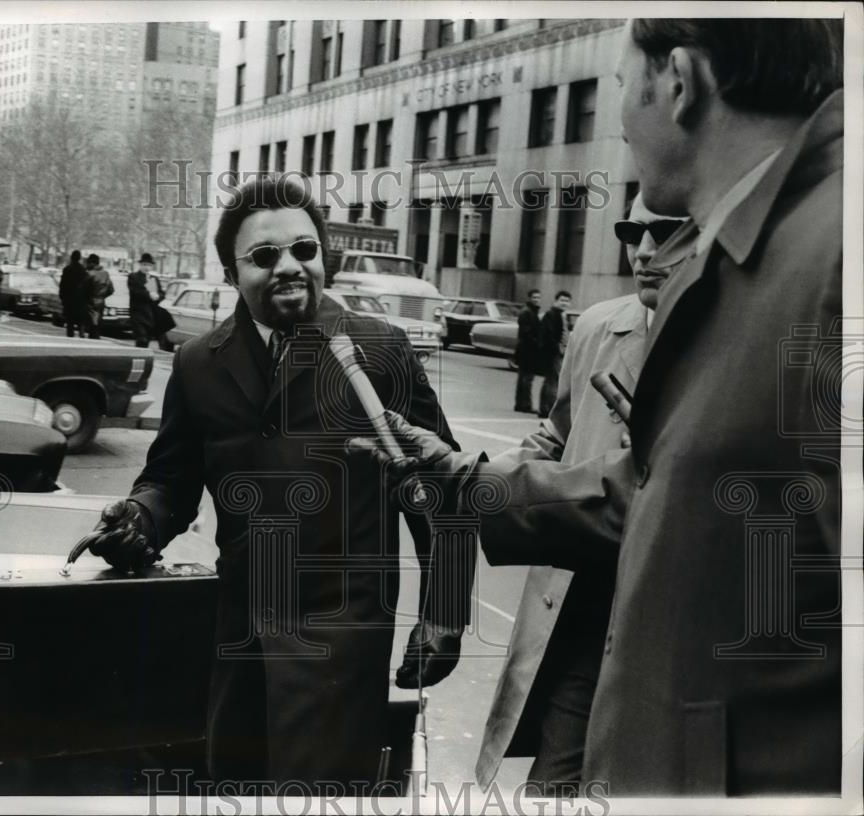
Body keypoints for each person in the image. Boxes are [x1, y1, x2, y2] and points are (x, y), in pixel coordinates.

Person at [353, 18, 843, 796]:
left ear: (679, 81)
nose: (617, 118)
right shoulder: (751, 254)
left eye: (618, 85)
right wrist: (461, 479)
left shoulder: (831, 257)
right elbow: (659, 496)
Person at [82, 175, 471, 790]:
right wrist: (139, 518)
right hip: (236, 634)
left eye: (304, 250)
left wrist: (444, 612)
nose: (290, 266)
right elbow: (171, 479)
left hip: (340, 642)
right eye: (265, 257)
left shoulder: (381, 350)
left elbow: (439, 498)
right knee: (233, 786)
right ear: (232, 273)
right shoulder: (198, 362)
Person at [476, 196, 687, 794]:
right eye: (632, 232)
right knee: (550, 788)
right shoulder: (598, 326)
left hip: (671, 631)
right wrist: (480, 476)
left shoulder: (741, 339)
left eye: (665, 233)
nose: (644, 251)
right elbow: (557, 434)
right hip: (584, 613)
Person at [537, 291, 572, 417]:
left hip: (555, 353)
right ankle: (550, 409)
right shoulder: (552, 315)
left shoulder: (560, 315)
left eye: (567, 301)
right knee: (554, 381)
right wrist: (558, 350)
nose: (564, 303)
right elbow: (550, 336)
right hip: (552, 354)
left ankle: (544, 409)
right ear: (556, 301)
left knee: (549, 381)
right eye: (562, 300)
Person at [513, 288, 545, 414]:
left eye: (538, 297)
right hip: (527, 350)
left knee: (523, 378)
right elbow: (527, 333)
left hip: (525, 349)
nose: (537, 300)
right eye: (534, 297)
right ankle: (525, 404)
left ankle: (520, 403)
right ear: (530, 298)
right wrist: (537, 343)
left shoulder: (531, 312)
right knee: (527, 378)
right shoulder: (527, 312)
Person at [127, 253, 158, 348]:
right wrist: (150, 295)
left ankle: (143, 361)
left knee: (146, 340)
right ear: (140, 265)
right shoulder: (133, 277)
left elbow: (160, 293)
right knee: (141, 339)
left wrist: (158, 297)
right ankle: (138, 360)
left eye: (149, 265)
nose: (147, 267)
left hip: (150, 315)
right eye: (144, 264)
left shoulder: (153, 278)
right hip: (138, 314)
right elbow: (136, 291)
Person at [83, 253, 114, 339]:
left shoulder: (89, 274)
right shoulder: (106, 274)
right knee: (97, 324)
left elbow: (83, 289)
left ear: (91, 263)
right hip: (101, 302)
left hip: (90, 302)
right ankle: (96, 338)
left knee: (91, 324)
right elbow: (111, 290)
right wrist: (102, 296)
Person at [59, 249, 89, 338]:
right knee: (80, 321)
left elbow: (63, 285)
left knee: (70, 323)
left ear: (71, 258)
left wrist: (62, 298)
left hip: (69, 300)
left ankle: (70, 337)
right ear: (79, 258)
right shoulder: (83, 270)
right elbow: (86, 285)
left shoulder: (67, 269)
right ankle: (81, 336)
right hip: (80, 300)